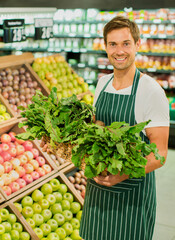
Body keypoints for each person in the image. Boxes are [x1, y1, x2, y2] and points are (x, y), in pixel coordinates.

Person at [79, 15, 169, 240]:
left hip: (132, 200)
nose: (119, 51)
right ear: (105, 47)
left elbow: (160, 154)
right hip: (97, 195)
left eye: (126, 43)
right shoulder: (102, 84)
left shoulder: (151, 91)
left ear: (138, 45)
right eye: (113, 44)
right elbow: (96, 130)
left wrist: (123, 174)